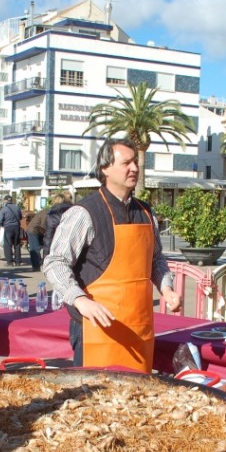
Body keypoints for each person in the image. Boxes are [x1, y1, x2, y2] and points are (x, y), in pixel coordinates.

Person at [43, 138, 181, 372]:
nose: (135, 168)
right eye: (126, 162)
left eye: (135, 162)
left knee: (136, 398)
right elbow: (55, 262)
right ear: (105, 168)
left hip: (139, 327)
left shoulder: (146, 212)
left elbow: (156, 258)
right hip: (96, 329)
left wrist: (166, 288)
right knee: (95, 403)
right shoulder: (84, 212)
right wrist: (79, 299)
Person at [0, 194, 23, 266]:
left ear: (5, 201)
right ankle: (18, 261)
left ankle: (9, 262)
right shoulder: (17, 207)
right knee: (17, 244)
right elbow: (20, 217)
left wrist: (3, 225)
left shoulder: (4, 209)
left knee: (8, 245)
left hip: (8, 228)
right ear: (11, 200)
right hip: (17, 227)